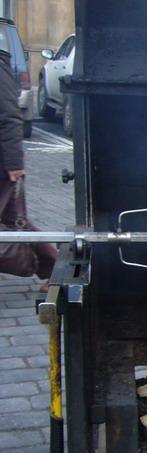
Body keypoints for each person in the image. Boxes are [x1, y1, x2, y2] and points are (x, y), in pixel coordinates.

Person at [0, 47, 57, 284]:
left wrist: (14, 163)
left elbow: (8, 116)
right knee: (16, 220)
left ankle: (55, 269)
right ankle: (55, 269)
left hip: (3, 165)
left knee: (17, 221)